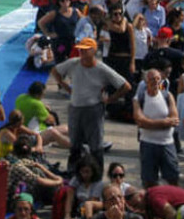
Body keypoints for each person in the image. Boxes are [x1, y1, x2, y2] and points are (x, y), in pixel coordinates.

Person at [54, 36, 130, 171]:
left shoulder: (102, 69)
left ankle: (97, 173)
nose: (81, 53)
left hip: (93, 109)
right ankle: (73, 173)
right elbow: (56, 71)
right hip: (75, 108)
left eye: (85, 50)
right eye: (80, 50)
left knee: (95, 145)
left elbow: (125, 86)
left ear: (93, 51)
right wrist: (65, 86)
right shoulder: (73, 63)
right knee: (75, 144)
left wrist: (111, 99)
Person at [134, 68, 180, 187]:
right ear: (146, 81)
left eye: (157, 79)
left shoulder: (168, 96)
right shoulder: (139, 98)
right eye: (151, 79)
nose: (155, 82)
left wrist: (151, 123)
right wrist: (164, 123)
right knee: (149, 181)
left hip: (167, 144)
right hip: (148, 144)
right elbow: (140, 122)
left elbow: (174, 119)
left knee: (173, 178)